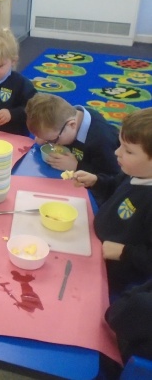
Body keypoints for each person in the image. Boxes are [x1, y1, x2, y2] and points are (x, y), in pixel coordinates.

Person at [72, 108, 152, 294]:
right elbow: (115, 187)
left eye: (128, 151)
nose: (117, 152)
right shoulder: (134, 172)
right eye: (120, 145)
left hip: (117, 272)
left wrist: (124, 252)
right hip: (97, 246)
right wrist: (96, 181)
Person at [26, 93, 120, 192]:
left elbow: (114, 179)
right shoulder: (67, 117)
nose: (50, 143)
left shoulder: (102, 140)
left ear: (72, 125)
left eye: (52, 140)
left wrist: (77, 166)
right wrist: (43, 137)